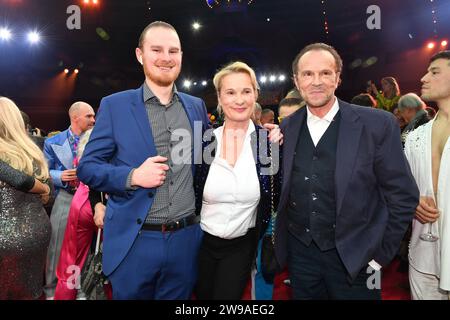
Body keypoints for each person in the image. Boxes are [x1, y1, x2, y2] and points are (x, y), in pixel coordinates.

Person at [274, 43, 419, 300]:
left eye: (325, 73)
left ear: (338, 78)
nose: (316, 81)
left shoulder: (376, 124)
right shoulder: (287, 126)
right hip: (301, 257)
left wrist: (380, 256)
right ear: (296, 80)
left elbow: (402, 195)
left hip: (356, 259)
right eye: (308, 74)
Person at [77, 21, 210, 300]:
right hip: (134, 242)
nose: (166, 57)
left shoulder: (196, 106)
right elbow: (88, 168)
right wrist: (132, 177)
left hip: (185, 241)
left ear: (181, 56)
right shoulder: (115, 106)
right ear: (140, 55)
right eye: (157, 49)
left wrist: (260, 136)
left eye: (173, 50)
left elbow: (210, 157)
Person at [193, 61, 279, 299]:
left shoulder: (268, 144)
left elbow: (279, 194)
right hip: (198, 243)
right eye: (230, 92)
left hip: (242, 245)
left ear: (255, 95)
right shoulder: (204, 140)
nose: (239, 100)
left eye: (246, 91)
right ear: (219, 98)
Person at [404, 50, 450, 300]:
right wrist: (413, 202)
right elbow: (405, 186)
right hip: (423, 253)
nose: (423, 78)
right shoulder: (415, 137)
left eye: (434, 72)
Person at [0, 97, 52, 299]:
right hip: (36, 233)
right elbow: (50, 197)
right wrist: (43, 190)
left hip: (4, 240)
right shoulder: (33, 151)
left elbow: (20, 181)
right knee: (29, 291)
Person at [43, 101, 95, 299]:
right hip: (65, 197)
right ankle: (51, 289)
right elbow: (42, 173)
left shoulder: (98, 139)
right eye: (89, 116)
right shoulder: (52, 142)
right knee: (57, 245)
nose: (93, 120)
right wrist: (59, 176)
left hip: (91, 198)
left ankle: (81, 287)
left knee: (86, 247)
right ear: (75, 117)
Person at [54, 129, 109, 300]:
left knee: (72, 261)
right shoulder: (113, 137)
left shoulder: (88, 138)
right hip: (108, 202)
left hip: (83, 200)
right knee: (115, 259)